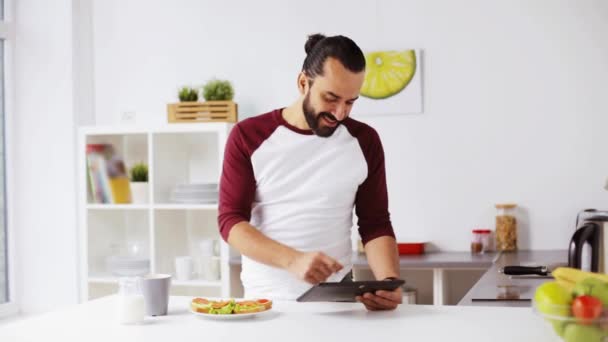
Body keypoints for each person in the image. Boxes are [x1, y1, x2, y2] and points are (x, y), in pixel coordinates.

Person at [218, 33, 401, 310]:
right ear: (303, 83)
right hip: (266, 302)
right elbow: (231, 221)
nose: (340, 113)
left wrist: (388, 281)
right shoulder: (248, 136)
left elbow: (375, 223)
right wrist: (293, 260)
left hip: (338, 301)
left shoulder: (365, 141)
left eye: (350, 102)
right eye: (331, 98)